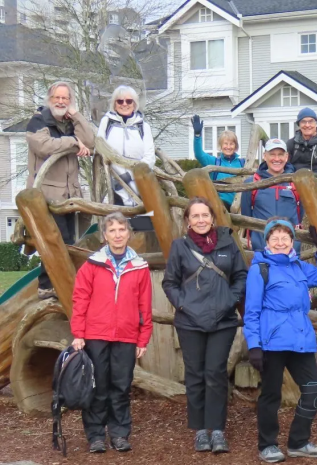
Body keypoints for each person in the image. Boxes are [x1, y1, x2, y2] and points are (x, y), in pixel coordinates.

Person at [244, 218, 317, 462]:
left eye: (285, 237)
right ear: (267, 243)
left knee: (314, 388)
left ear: (292, 241)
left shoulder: (299, 267)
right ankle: (267, 445)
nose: (280, 242)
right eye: (274, 238)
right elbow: (251, 311)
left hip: (300, 338)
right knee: (271, 394)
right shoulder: (260, 269)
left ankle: (298, 442)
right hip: (272, 341)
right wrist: (254, 345)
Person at [162, 197, 248, 453]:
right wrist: (183, 305)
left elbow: (240, 276)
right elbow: (170, 283)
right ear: (188, 220)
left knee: (216, 373)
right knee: (195, 374)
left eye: (205, 215)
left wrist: (230, 300)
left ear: (212, 218)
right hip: (190, 321)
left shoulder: (227, 243)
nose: (201, 220)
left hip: (222, 320)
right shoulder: (180, 246)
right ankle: (200, 430)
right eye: (195, 216)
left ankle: (217, 429)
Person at [71, 212, 152, 453]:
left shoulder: (139, 267)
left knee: (121, 387)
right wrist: (78, 333)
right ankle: (96, 435)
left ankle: (119, 434)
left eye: (122, 230)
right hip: (95, 335)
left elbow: (145, 305)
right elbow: (80, 300)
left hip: (126, 336)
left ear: (129, 233)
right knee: (97, 386)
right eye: (112, 230)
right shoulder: (92, 265)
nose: (117, 235)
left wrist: (143, 338)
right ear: (105, 235)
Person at [26, 81, 95, 300]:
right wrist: (74, 141)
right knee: (58, 241)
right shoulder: (38, 121)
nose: (61, 101)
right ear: (50, 99)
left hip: (70, 194)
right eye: (57, 97)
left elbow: (90, 141)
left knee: (70, 242)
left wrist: (76, 116)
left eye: (65, 98)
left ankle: (52, 285)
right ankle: (49, 286)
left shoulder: (69, 122)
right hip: (47, 194)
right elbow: (44, 146)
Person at [96, 85, 155, 206]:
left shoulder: (144, 126)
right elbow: (100, 149)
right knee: (118, 216)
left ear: (134, 104)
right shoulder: (106, 122)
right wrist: (119, 176)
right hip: (114, 183)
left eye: (128, 101)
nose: (124, 104)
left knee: (143, 217)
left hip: (140, 182)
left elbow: (150, 157)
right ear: (114, 104)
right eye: (120, 101)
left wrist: (131, 175)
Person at [241, 139, 303, 252]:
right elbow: (246, 216)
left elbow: (300, 214)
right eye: (272, 154)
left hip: (290, 250)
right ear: (265, 156)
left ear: (286, 157)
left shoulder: (297, 183)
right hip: (261, 248)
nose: (277, 159)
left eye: (280, 154)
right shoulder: (251, 183)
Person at [191, 115, 244, 209]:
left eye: (231, 144)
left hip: (240, 205)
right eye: (225, 144)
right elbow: (199, 154)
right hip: (221, 205)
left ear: (235, 146)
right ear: (221, 146)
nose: (228, 147)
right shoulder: (215, 162)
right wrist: (197, 135)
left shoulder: (242, 163)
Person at [285, 108, 317, 175]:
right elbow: (286, 166)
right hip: (293, 179)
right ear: (299, 124)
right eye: (303, 122)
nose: (307, 125)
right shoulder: (291, 143)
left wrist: (307, 178)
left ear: (316, 123)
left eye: (311, 121)